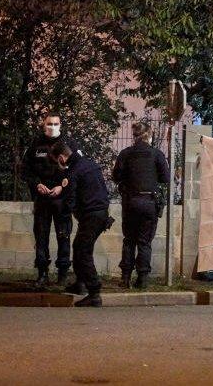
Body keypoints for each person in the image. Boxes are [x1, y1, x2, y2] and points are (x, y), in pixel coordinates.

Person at [50, 140, 114, 307]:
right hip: (99, 213)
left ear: (62, 157)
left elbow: (70, 200)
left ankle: (94, 293)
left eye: (56, 160)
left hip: (91, 215)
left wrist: (62, 214)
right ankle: (81, 283)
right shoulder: (89, 163)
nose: (58, 163)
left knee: (82, 251)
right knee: (80, 248)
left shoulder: (73, 171)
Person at [21, 112, 81, 289]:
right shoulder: (35, 145)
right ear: (43, 125)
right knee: (41, 237)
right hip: (42, 199)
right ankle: (42, 273)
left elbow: (77, 169)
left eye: (56, 124)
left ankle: (63, 274)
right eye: (49, 124)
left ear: (61, 125)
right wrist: (37, 184)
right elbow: (25, 171)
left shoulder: (70, 144)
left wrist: (63, 187)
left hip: (62, 199)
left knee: (64, 236)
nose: (52, 127)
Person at [112, 122, 168, 290]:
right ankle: (142, 278)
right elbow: (165, 178)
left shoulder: (125, 154)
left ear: (134, 136)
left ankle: (125, 278)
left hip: (130, 202)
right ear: (149, 136)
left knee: (129, 240)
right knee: (144, 242)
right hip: (149, 202)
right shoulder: (156, 154)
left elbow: (116, 176)